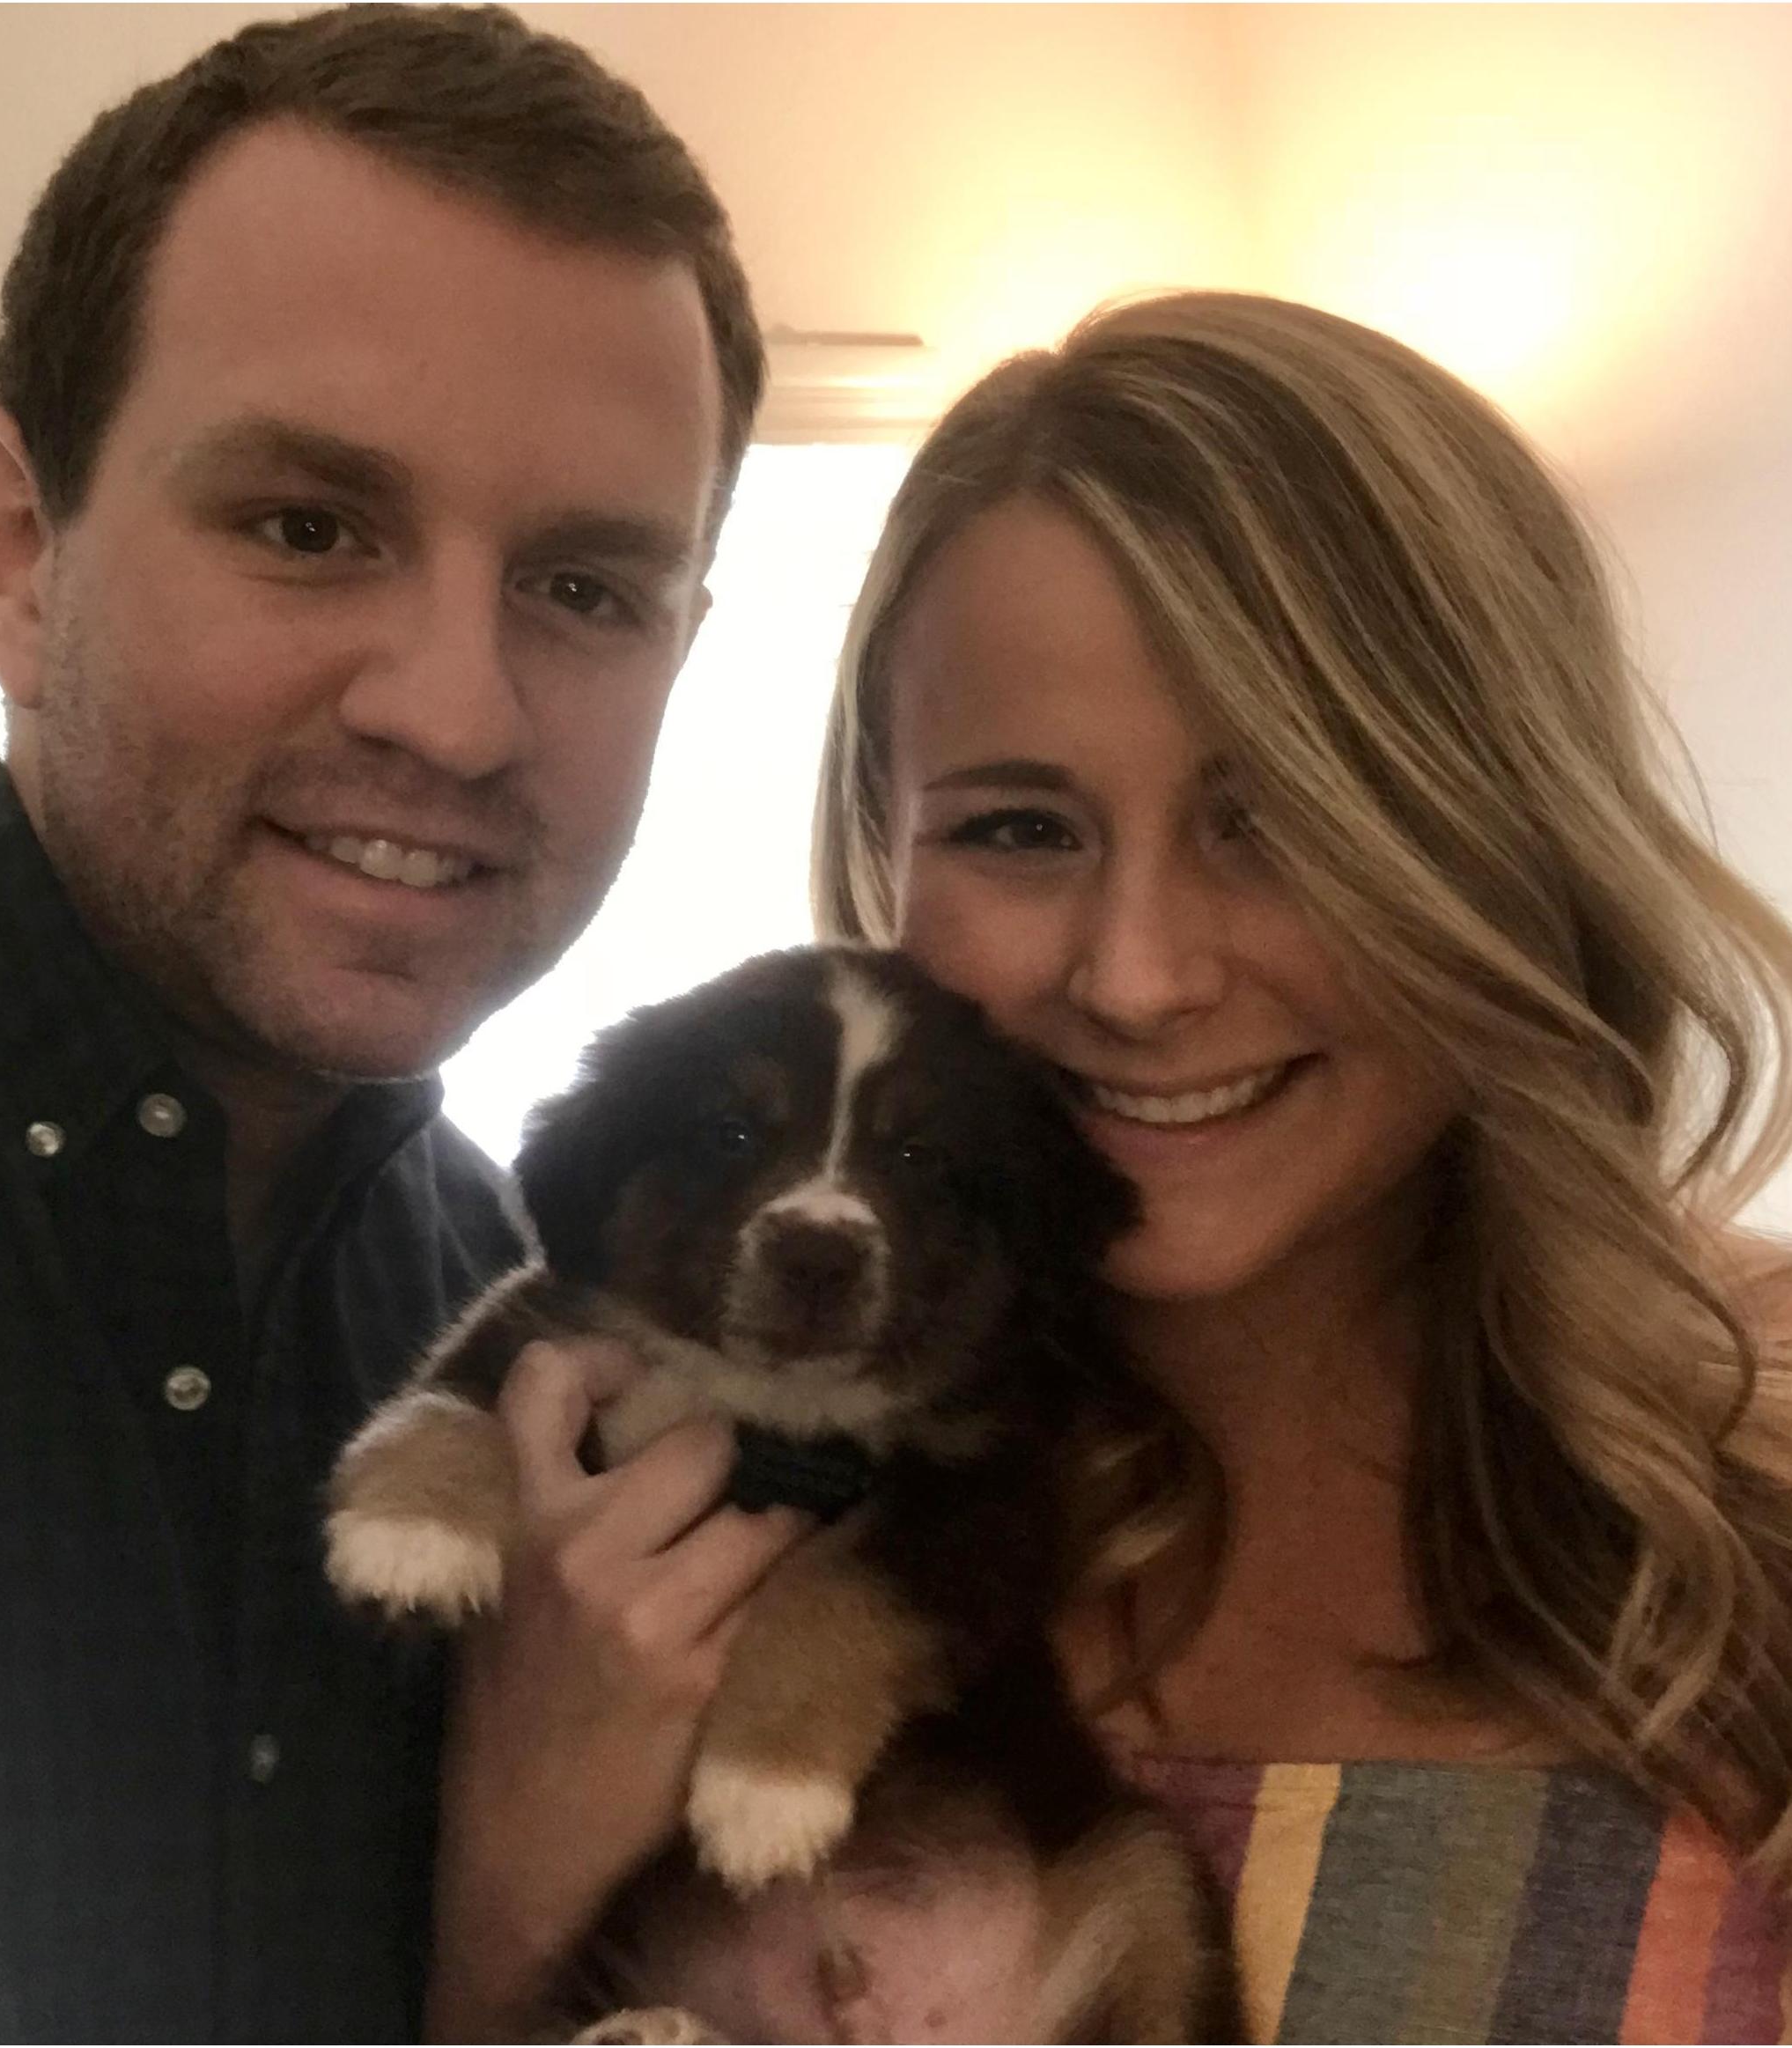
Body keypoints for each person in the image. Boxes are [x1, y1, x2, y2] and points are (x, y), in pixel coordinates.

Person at [446, 291, 1792, 2043]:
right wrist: (504, 1895)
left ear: (1498, 850)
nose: (1137, 976)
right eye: (1019, 828)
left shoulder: (1750, 1497)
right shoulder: (628, 1505)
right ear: (880, 846)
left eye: (1276, 822)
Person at [0, 5, 813, 2037]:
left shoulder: (521, 1319)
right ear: (15, 555)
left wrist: (509, 1913)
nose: (458, 713)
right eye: (309, 527)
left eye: (584, 589)